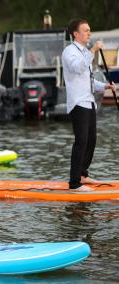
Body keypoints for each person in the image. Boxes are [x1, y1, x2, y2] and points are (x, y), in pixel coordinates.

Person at [61, 19, 116, 191]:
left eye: (90, 30)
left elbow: (89, 81)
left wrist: (104, 86)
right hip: (78, 102)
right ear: (76, 34)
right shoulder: (69, 52)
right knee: (81, 141)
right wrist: (93, 51)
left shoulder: (84, 51)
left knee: (91, 140)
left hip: (89, 101)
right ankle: (74, 183)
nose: (89, 33)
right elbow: (78, 68)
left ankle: (83, 175)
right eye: (86, 30)